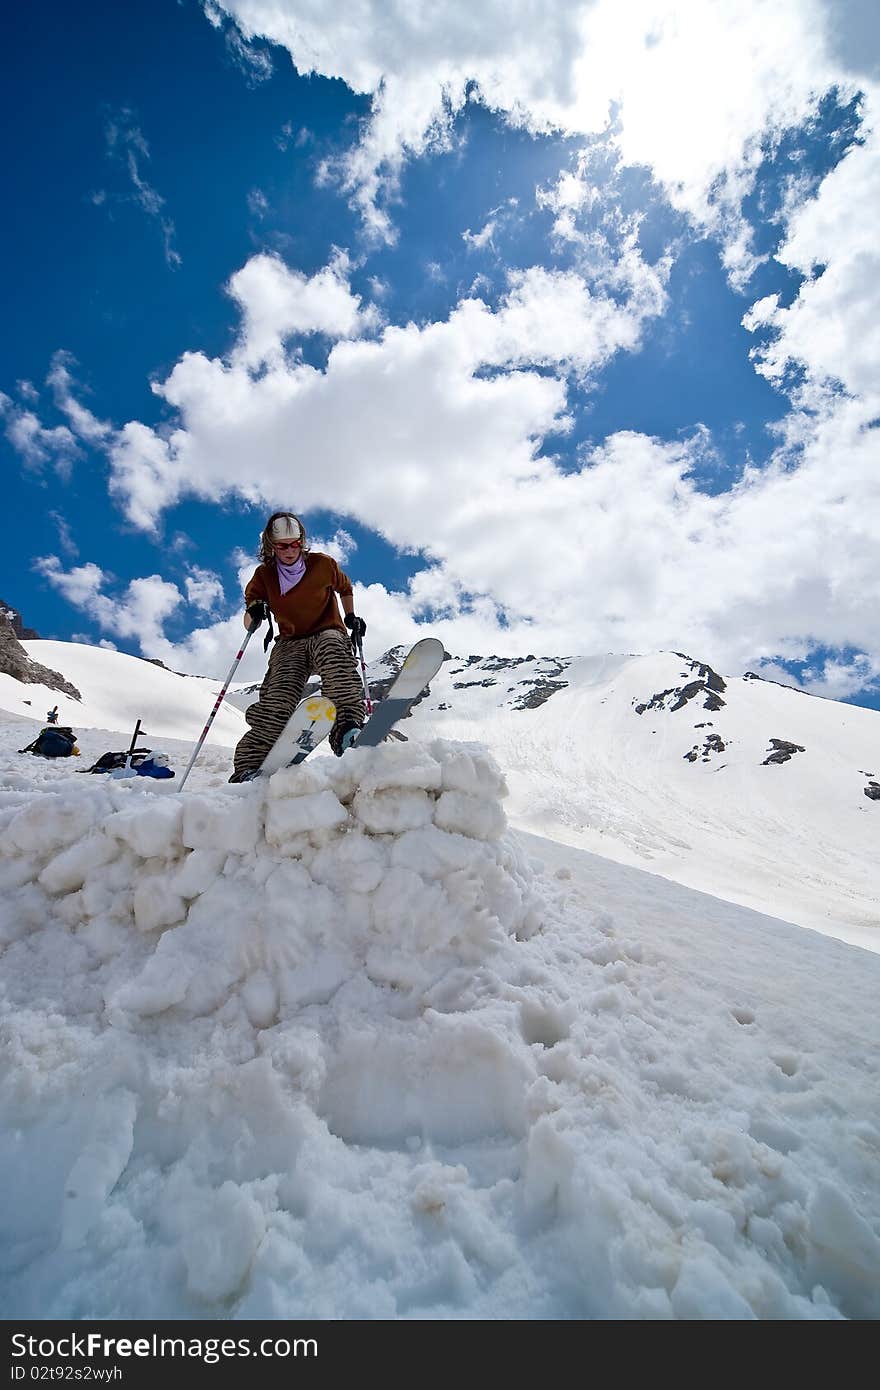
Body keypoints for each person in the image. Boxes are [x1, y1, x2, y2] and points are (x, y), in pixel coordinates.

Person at [230, 511, 367, 781]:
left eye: (295, 543)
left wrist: (350, 616)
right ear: (271, 546)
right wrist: (255, 612)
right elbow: (249, 619)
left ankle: (348, 730)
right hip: (290, 642)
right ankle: (251, 763)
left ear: (302, 541)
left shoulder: (323, 564)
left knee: (336, 662)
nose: (290, 550)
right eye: (282, 546)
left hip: (326, 630)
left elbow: (345, 587)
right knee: (277, 700)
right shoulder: (264, 575)